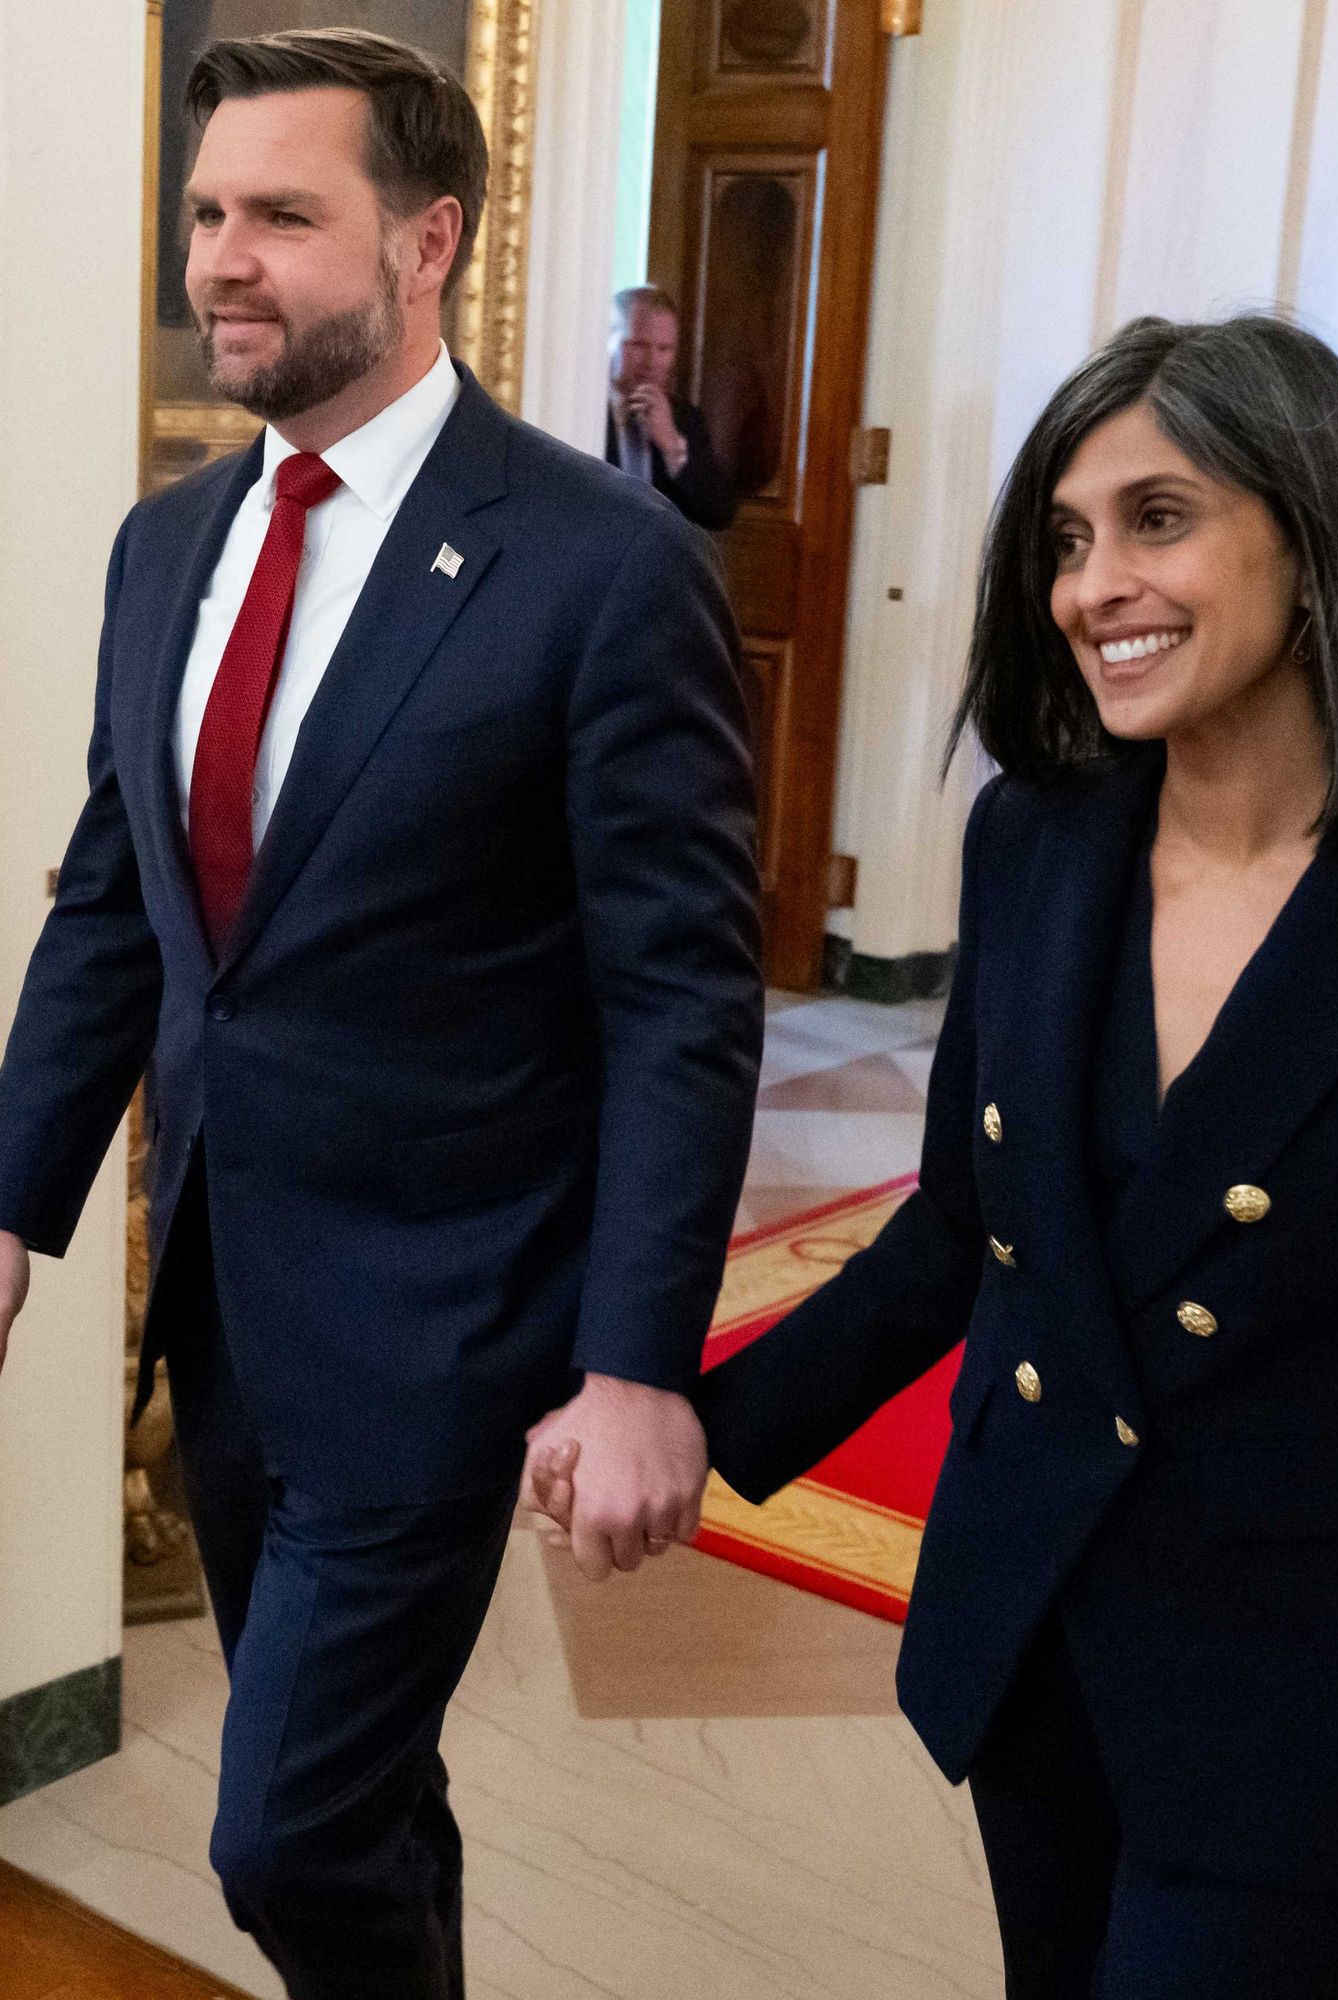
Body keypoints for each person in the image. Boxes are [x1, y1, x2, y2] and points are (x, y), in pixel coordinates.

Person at [534, 314, 1338, 1999]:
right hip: (1035, 1616)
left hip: (1296, 1677)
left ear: (1312, 522)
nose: (1089, 586)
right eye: (1065, 539)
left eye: (1157, 518)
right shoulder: (1038, 836)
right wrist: (702, 1416)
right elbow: (963, 1236)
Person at [0, 29, 761, 2000]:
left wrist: (637, 1356)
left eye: (279, 215)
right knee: (355, 1788)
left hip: (447, 1317)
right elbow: (117, 906)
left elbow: (678, 992)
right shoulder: (169, 546)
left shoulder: (600, 571)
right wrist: (14, 1199)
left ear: (425, 242)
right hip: (231, 1303)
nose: (220, 259)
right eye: (202, 214)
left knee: (281, 1829)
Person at [605, 285, 739, 531]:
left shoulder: (685, 417)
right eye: (638, 345)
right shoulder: (582, 409)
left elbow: (719, 514)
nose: (652, 361)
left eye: (665, 349)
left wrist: (672, 447)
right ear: (607, 340)